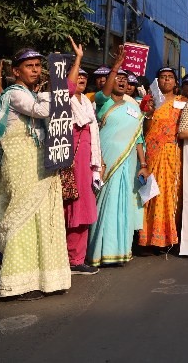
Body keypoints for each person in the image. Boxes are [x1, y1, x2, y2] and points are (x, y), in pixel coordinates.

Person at [0, 48, 71, 301]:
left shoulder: (31, 93)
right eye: (30, 66)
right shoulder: (15, 94)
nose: (36, 70)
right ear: (15, 72)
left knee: (42, 217)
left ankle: (45, 278)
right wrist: (53, 87)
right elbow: (42, 111)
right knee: (22, 217)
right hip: (20, 163)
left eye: (38, 65)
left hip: (38, 163)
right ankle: (16, 285)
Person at [87, 48, 149, 267]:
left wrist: (143, 164)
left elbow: (138, 137)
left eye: (125, 79)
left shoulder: (133, 106)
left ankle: (119, 251)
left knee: (122, 204)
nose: (122, 82)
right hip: (106, 161)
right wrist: (115, 67)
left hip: (128, 164)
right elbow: (105, 90)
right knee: (104, 203)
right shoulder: (102, 101)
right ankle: (97, 252)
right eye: (118, 78)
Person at [64, 39, 102, 275]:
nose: (80, 80)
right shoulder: (63, 101)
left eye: (84, 79)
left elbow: (94, 136)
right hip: (70, 163)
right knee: (70, 210)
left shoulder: (87, 103)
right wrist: (77, 58)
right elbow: (66, 86)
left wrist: (99, 164)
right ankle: (69, 259)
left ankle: (77, 258)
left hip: (87, 163)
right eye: (77, 76)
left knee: (84, 211)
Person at [138, 67, 186, 251]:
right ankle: (148, 238)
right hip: (151, 154)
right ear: (157, 81)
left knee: (170, 194)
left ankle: (169, 238)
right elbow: (142, 127)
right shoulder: (149, 101)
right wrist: (149, 111)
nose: (166, 80)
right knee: (150, 193)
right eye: (162, 77)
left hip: (172, 153)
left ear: (175, 82)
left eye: (170, 77)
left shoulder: (183, 102)